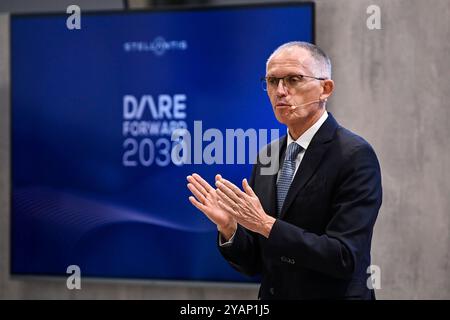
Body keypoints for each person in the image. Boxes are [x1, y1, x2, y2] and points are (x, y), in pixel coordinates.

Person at [186, 41, 382, 299]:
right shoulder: (268, 155)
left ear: (326, 88)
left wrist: (265, 224)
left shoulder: (354, 155)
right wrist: (230, 228)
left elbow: (345, 258)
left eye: (294, 79)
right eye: (272, 81)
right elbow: (256, 263)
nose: (280, 91)